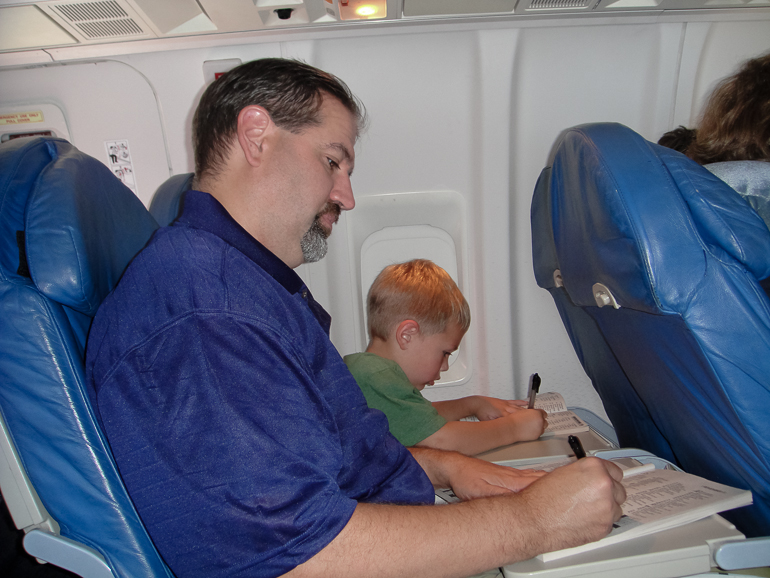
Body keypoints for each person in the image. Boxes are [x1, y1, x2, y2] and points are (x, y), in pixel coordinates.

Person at [85, 58, 625, 578]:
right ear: (256, 135)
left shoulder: (249, 289)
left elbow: (324, 462)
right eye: (332, 162)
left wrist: (442, 468)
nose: (346, 194)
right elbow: (303, 559)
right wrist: (534, 522)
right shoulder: (207, 314)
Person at [345, 259, 547, 455]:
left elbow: (419, 419)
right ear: (407, 335)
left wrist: (473, 404)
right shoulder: (375, 375)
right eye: (445, 353)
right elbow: (440, 440)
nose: (445, 367)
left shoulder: (375, 373)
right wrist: (514, 428)